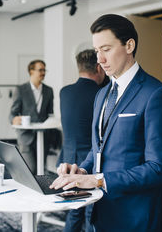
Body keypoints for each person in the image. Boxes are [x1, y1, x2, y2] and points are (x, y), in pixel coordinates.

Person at [50, 14, 162, 231]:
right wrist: (81, 171)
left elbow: (158, 168)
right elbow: (97, 148)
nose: (99, 59)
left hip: (136, 217)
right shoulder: (101, 95)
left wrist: (97, 180)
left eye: (106, 49)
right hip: (101, 212)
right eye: (97, 50)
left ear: (129, 45)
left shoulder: (156, 95)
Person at [57, 49, 106, 232]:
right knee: (90, 212)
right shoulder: (102, 93)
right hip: (90, 161)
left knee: (74, 210)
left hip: (68, 158)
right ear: (99, 68)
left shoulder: (65, 92)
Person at [9, 60, 54, 174]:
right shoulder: (21, 90)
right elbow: (13, 113)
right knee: (30, 169)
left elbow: (50, 113)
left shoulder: (49, 91)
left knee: (41, 170)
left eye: (44, 70)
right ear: (31, 71)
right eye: (40, 70)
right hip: (26, 136)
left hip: (43, 137)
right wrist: (15, 119)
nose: (43, 72)